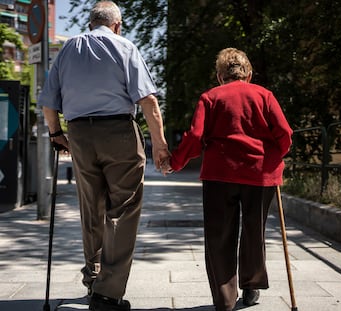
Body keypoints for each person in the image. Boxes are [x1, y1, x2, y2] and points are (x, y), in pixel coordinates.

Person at [38, 2, 170, 310]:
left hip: (81, 134)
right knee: (122, 209)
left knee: (91, 206)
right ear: (117, 25)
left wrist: (57, 135)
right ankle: (108, 293)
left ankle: (93, 277)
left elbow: (48, 102)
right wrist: (160, 144)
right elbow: (148, 101)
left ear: (90, 23)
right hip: (118, 132)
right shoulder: (124, 47)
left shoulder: (68, 49)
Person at [165, 48, 293, 311]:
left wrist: (175, 162)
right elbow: (284, 133)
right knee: (254, 231)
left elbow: (194, 137)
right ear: (248, 74)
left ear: (219, 75)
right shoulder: (264, 95)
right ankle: (252, 286)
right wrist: (273, 159)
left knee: (219, 236)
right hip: (259, 174)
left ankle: (224, 300)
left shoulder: (210, 97)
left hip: (220, 174)